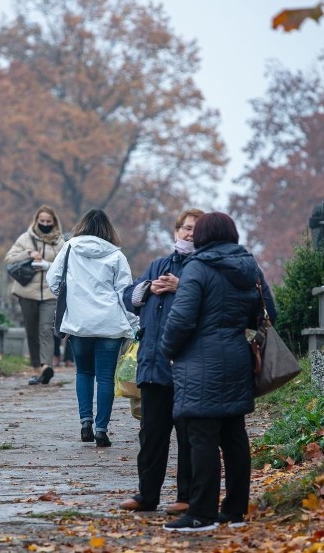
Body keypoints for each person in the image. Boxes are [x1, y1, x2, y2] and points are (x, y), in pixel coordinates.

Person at [160, 212, 276, 532]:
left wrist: (167, 350)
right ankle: (235, 510)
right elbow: (268, 313)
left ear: (203, 236)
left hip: (200, 361)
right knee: (234, 436)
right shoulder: (249, 266)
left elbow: (182, 318)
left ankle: (201, 513)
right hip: (237, 357)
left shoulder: (197, 267)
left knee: (202, 438)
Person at [118, 208, 204, 516]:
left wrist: (182, 288)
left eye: (195, 229)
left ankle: (187, 496)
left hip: (188, 368)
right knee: (151, 436)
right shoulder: (158, 264)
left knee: (189, 437)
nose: (189, 233)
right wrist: (147, 288)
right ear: (176, 232)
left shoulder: (205, 266)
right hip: (153, 366)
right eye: (185, 228)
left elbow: (215, 301)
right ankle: (147, 495)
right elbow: (128, 297)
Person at [47, 209, 137, 448]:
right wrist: (134, 325)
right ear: (108, 230)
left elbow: (53, 280)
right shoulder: (117, 256)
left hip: (79, 324)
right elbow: (125, 293)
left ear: (82, 226)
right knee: (105, 378)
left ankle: (85, 421)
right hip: (110, 324)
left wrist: (72, 297)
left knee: (84, 373)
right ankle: (101, 429)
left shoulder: (69, 248)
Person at [5, 205, 65, 385]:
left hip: (50, 292)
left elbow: (66, 264)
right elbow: (9, 258)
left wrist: (47, 265)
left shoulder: (60, 243)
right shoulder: (25, 238)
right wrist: (28, 254)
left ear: (54, 222)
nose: (45, 224)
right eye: (42, 221)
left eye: (49, 221)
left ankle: (46, 366)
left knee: (46, 328)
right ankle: (35, 369)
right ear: (36, 221)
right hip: (27, 291)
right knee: (31, 331)